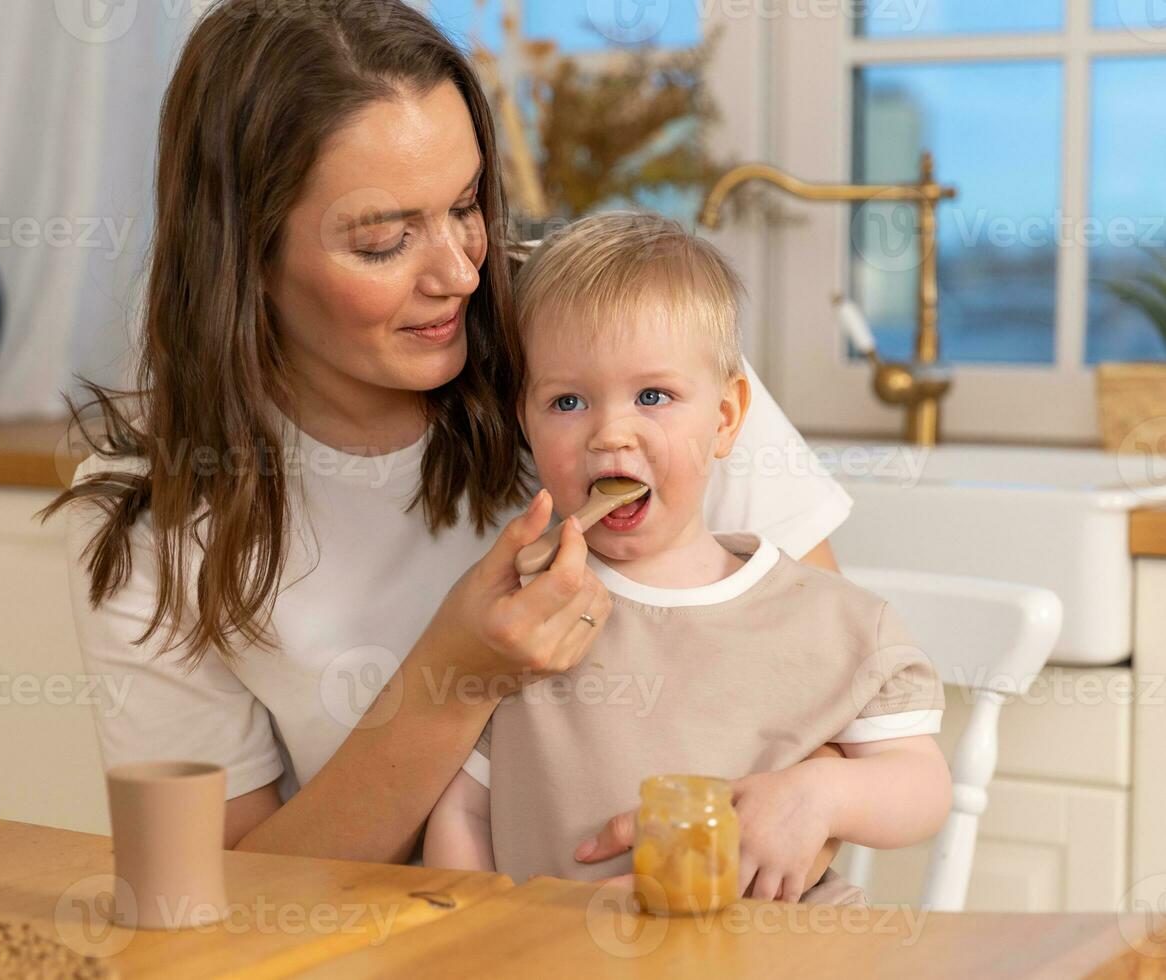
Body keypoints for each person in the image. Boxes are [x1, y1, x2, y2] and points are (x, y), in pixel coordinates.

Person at [44, 0, 857, 893]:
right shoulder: (153, 514)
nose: (460, 274)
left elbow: (830, 720)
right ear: (243, 254)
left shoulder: (625, 348)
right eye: (385, 239)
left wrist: (674, 892)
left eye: (466, 205)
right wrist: (456, 676)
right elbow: (222, 894)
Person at [420, 211, 951, 902]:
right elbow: (463, 811)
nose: (611, 433)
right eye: (569, 400)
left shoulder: (830, 620)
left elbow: (921, 784)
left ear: (727, 418)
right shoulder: (527, 622)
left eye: (653, 396)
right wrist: (477, 937)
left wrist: (820, 794)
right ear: (527, 421)